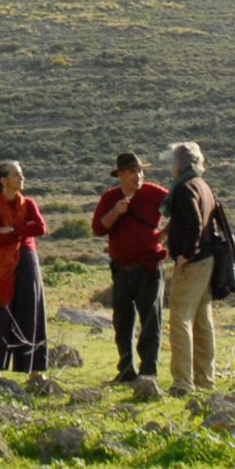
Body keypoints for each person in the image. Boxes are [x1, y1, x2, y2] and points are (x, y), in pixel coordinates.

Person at [91, 149, 167, 388]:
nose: (138, 175)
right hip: (122, 269)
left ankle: (148, 372)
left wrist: (164, 235)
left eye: (140, 170)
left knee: (150, 320)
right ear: (121, 174)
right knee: (122, 321)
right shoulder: (109, 198)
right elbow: (98, 228)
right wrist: (116, 212)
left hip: (149, 268)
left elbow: (182, 208)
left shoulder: (155, 194)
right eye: (133, 171)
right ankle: (126, 370)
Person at [0, 161, 49, 382]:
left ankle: (34, 371)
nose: (22, 178)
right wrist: (21, 232)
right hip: (2, 265)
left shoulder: (29, 204)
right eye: (17, 175)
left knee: (31, 311)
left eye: (21, 175)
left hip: (27, 260)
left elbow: (40, 228)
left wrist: (14, 230)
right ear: (3, 181)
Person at [162, 141, 221, 393]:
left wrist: (185, 254)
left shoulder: (185, 187)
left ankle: (183, 382)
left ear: (179, 165)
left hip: (193, 263)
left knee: (180, 320)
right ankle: (205, 379)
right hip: (208, 260)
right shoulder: (202, 185)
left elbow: (194, 222)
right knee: (202, 319)